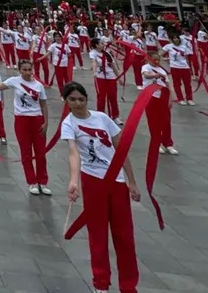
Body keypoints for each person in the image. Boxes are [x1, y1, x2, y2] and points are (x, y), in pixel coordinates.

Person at [61, 82, 142, 293]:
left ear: (87, 99)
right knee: (97, 235)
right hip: (93, 181)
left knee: (124, 236)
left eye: (81, 99)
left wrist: (132, 182)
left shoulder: (103, 118)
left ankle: (129, 285)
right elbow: (73, 153)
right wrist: (73, 181)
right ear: (66, 101)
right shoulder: (68, 124)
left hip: (117, 181)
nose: (78, 103)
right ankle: (101, 283)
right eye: (72, 99)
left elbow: (120, 149)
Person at [0, 60, 52, 195]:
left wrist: (46, 123)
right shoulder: (14, 81)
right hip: (21, 120)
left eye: (29, 70)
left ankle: (42, 181)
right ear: (20, 70)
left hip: (37, 120)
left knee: (40, 152)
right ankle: (32, 181)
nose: (27, 72)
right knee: (26, 152)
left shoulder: (38, 86)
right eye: (24, 70)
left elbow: (44, 105)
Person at [141, 48, 177, 155]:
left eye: (158, 60)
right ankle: (156, 143)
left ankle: (168, 144)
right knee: (153, 122)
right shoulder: (146, 67)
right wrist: (154, 75)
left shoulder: (162, 71)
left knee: (166, 121)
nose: (157, 61)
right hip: (150, 97)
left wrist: (171, 98)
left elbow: (168, 85)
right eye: (154, 59)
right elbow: (146, 75)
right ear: (149, 59)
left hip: (163, 97)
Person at [88, 37, 121, 124]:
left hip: (111, 78)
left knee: (113, 97)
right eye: (101, 43)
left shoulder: (107, 53)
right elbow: (94, 62)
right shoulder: (93, 53)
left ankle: (115, 116)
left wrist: (119, 77)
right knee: (101, 98)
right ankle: (100, 116)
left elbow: (113, 65)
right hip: (100, 78)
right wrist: (94, 72)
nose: (103, 45)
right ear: (96, 45)